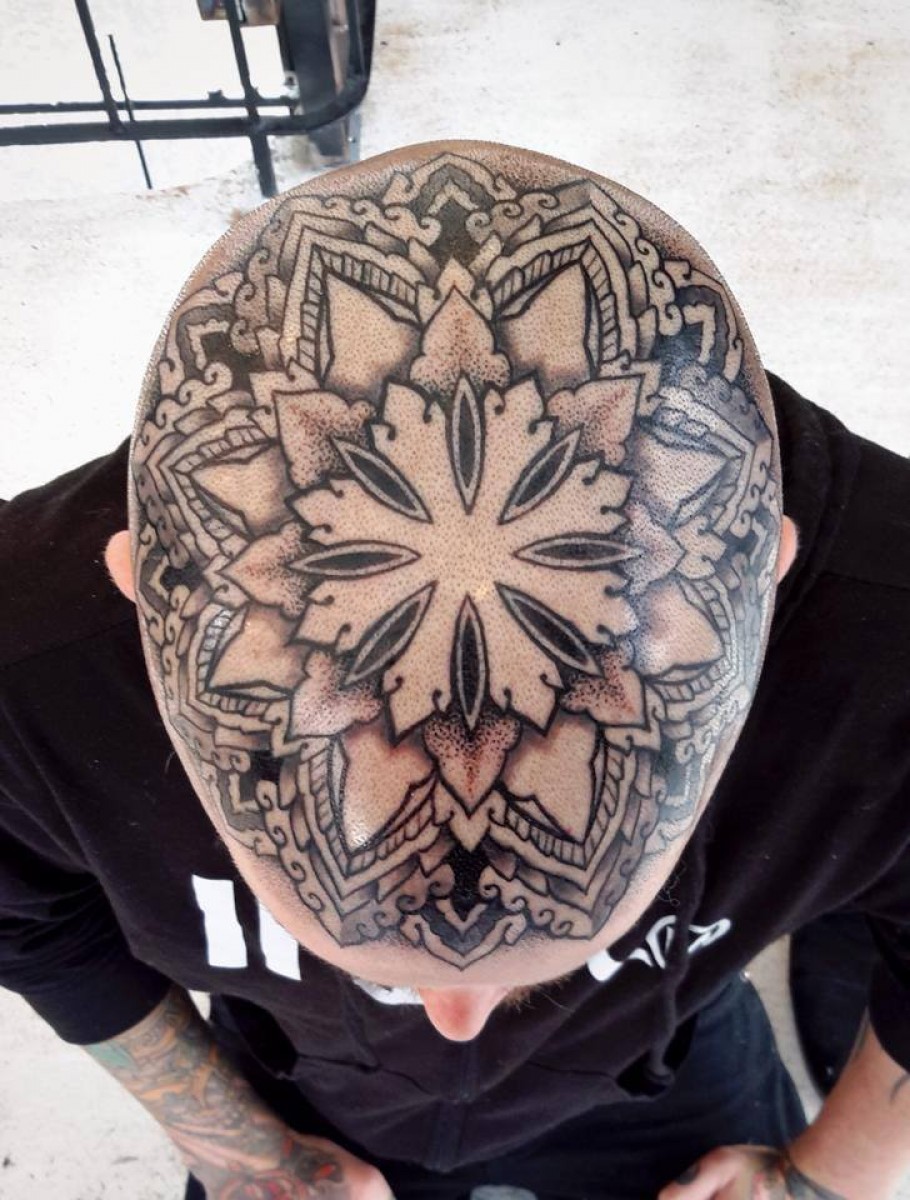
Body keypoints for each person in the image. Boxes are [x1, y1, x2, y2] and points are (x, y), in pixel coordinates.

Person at [1, 140, 908, 1200]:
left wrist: (830, 1178)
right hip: (288, 1085)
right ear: (137, 589)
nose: (456, 1019)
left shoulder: (888, 647)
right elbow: (28, 919)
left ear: (764, 579)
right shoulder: (23, 665)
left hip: (662, 1073)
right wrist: (246, 1154)